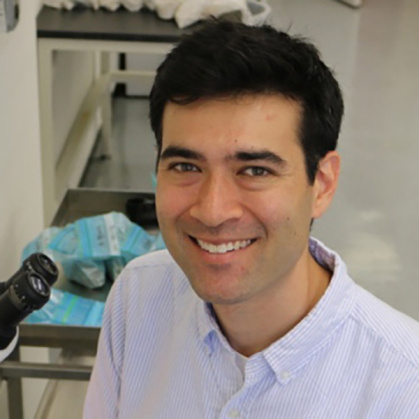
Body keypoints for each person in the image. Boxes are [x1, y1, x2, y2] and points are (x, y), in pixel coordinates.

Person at [83, 20, 419, 418]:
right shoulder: (138, 296)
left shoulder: (402, 386)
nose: (212, 210)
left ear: (323, 184)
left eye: (255, 171)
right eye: (186, 166)